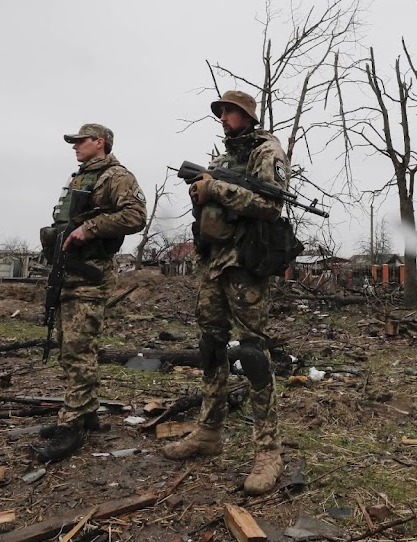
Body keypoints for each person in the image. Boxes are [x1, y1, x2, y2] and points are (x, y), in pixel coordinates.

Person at [162, 90, 289, 495]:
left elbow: (272, 205)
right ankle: (208, 431)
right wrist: (201, 194)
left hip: (246, 263)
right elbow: (208, 203)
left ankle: (268, 451)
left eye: (230, 111)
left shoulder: (267, 150)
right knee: (210, 347)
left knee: (252, 352)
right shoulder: (220, 159)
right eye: (220, 112)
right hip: (214, 262)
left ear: (248, 115)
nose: (223, 117)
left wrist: (217, 190)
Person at [35, 123, 146, 462]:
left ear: (100, 143)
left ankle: (71, 427)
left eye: (80, 141)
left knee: (78, 351)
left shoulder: (116, 177)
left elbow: (135, 215)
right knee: (72, 346)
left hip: (90, 274)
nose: (74, 147)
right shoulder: (80, 176)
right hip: (70, 271)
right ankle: (86, 413)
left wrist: (90, 228)